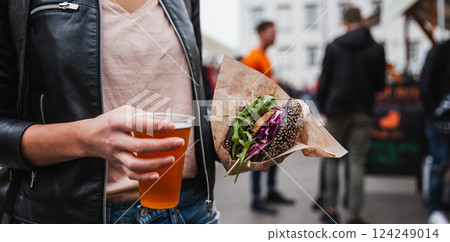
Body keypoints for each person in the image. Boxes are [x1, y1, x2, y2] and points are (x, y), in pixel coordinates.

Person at [0, 0, 219, 224]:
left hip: (193, 210)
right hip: (74, 218)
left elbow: (192, 103)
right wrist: (84, 138)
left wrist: (241, 135)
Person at [317, 7, 385, 224]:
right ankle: (355, 214)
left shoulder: (334, 46)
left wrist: (323, 107)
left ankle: (331, 209)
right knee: (357, 161)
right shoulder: (376, 48)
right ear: (363, 21)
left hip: (336, 109)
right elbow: (379, 84)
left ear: (345, 22)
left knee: (332, 160)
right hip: (363, 110)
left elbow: (324, 81)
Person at [242, 20, 295, 215]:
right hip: (259, 115)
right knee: (257, 155)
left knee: (272, 153)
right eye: (272, 32)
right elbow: (247, 87)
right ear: (262, 33)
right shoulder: (253, 57)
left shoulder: (263, 56)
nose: (275, 36)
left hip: (270, 113)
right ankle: (256, 197)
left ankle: (270, 191)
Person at [420, 40, 450, 224]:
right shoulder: (439, 51)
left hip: (438, 117)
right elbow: (425, 83)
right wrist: (434, 113)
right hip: (439, 121)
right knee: (439, 163)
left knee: (440, 163)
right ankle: (435, 207)